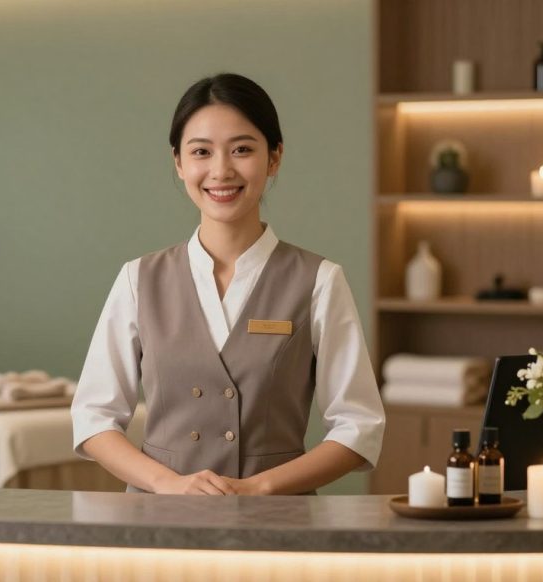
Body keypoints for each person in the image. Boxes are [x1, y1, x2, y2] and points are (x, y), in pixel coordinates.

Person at [70, 73, 385, 495]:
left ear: (274, 158)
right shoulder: (138, 279)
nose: (221, 170)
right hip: (157, 522)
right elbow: (94, 418)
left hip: (277, 525)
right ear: (179, 163)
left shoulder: (320, 281)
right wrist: (168, 485)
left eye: (242, 150)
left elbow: (358, 426)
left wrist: (259, 488)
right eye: (201, 151)